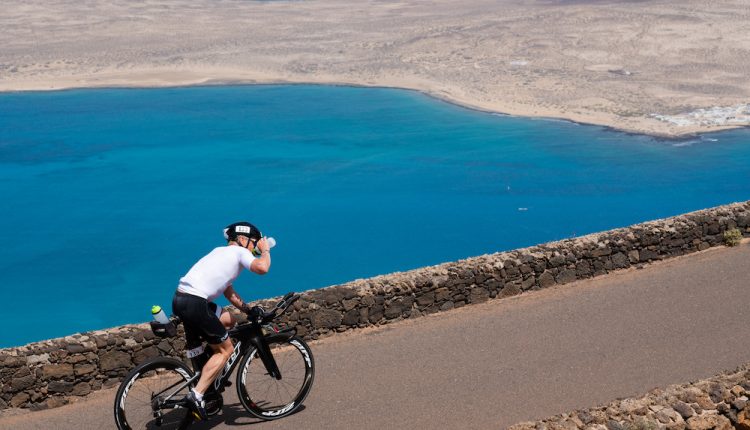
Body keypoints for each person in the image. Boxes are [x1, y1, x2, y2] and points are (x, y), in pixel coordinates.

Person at [171, 221, 271, 420]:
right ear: (242, 239)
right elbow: (262, 268)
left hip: (181, 299)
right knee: (226, 350)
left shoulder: (219, 252)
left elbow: (228, 292)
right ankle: (197, 395)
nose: (254, 247)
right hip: (196, 304)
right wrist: (266, 250)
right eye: (253, 242)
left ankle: (209, 370)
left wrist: (248, 309)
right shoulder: (240, 253)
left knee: (229, 320)